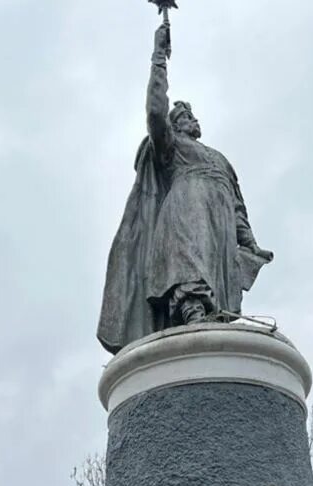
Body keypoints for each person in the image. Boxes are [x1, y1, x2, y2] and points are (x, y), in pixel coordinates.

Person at [97, 21, 274, 353]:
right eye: (183, 116)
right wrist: (158, 57)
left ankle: (209, 315)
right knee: (189, 264)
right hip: (186, 206)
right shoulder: (171, 146)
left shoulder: (220, 158)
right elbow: (154, 110)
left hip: (218, 218)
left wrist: (249, 243)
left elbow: (238, 208)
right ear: (175, 126)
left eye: (191, 115)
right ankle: (190, 309)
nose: (191, 118)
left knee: (215, 282)